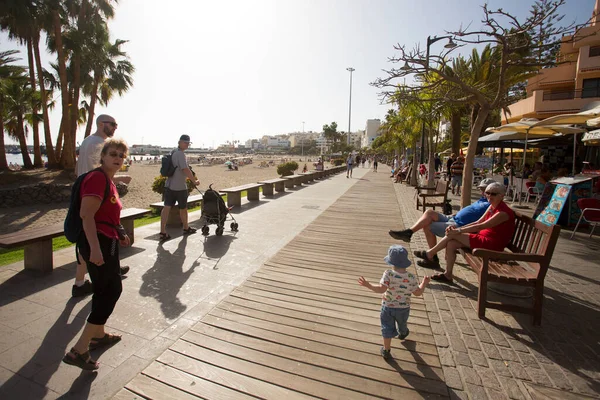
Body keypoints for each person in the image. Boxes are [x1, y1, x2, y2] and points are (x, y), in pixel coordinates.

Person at [62, 138, 131, 370]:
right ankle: (79, 350)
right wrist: (94, 248)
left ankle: (98, 335)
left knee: (104, 289)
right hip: (98, 241)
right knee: (111, 290)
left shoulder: (108, 181)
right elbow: (86, 215)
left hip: (107, 240)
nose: (118, 158)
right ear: (102, 156)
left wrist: (120, 232)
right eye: (113, 154)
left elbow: (108, 213)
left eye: (121, 155)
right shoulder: (96, 178)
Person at [72, 114, 129, 298]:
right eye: (112, 124)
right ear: (100, 124)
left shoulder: (86, 141)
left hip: (90, 193)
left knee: (88, 241)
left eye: (116, 124)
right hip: (94, 196)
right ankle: (91, 280)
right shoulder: (97, 142)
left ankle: (80, 282)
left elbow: (78, 169)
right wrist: (117, 179)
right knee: (92, 242)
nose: (114, 127)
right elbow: (97, 174)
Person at [414, 182, 515, 283]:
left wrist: (458, 230)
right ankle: (447, 275)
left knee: (453, 235)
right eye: (487, 193)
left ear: (502, 196)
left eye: (493, 194)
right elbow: (478, 222)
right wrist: (457, 229)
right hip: (483, 238)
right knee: (452, 243)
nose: (489, 196)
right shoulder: (492, 206)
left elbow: (481, 226)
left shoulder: (503, 213)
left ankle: (430, 253)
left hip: (492, 244)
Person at [388, 178, 496, 268]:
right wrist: (456, 215)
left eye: (486, 190)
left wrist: (460, 228)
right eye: (483, 190)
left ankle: (432, 258)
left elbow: (481, 222)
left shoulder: (491, 204)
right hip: (454, 218)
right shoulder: (482, 200)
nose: (484, 193)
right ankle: (409, 232)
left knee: (428, 226)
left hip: (459, 225)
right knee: (429, 212)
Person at [358, 245, 430, 360]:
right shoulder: (411, 277)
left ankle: (386, 350)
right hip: (403, 308)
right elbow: (417, 293)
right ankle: (403, 332)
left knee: (386, 327)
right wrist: (424, 283)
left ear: (391, 262)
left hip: (387, 307)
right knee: (402, 323)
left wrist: (368, 285)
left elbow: (381, 289)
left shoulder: (388, 274)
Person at [159, 134, 200, 241]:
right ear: (179, 142)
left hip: (169, 185)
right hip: (180, 187)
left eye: (188, 143)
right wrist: (194, 181)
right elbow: (185, 169)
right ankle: (186, 228)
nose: (186, 144)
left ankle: (163, 232)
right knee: (183, 208)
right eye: (185, 142)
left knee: (166, 208)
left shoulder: (173, 152)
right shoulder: (181, 154)